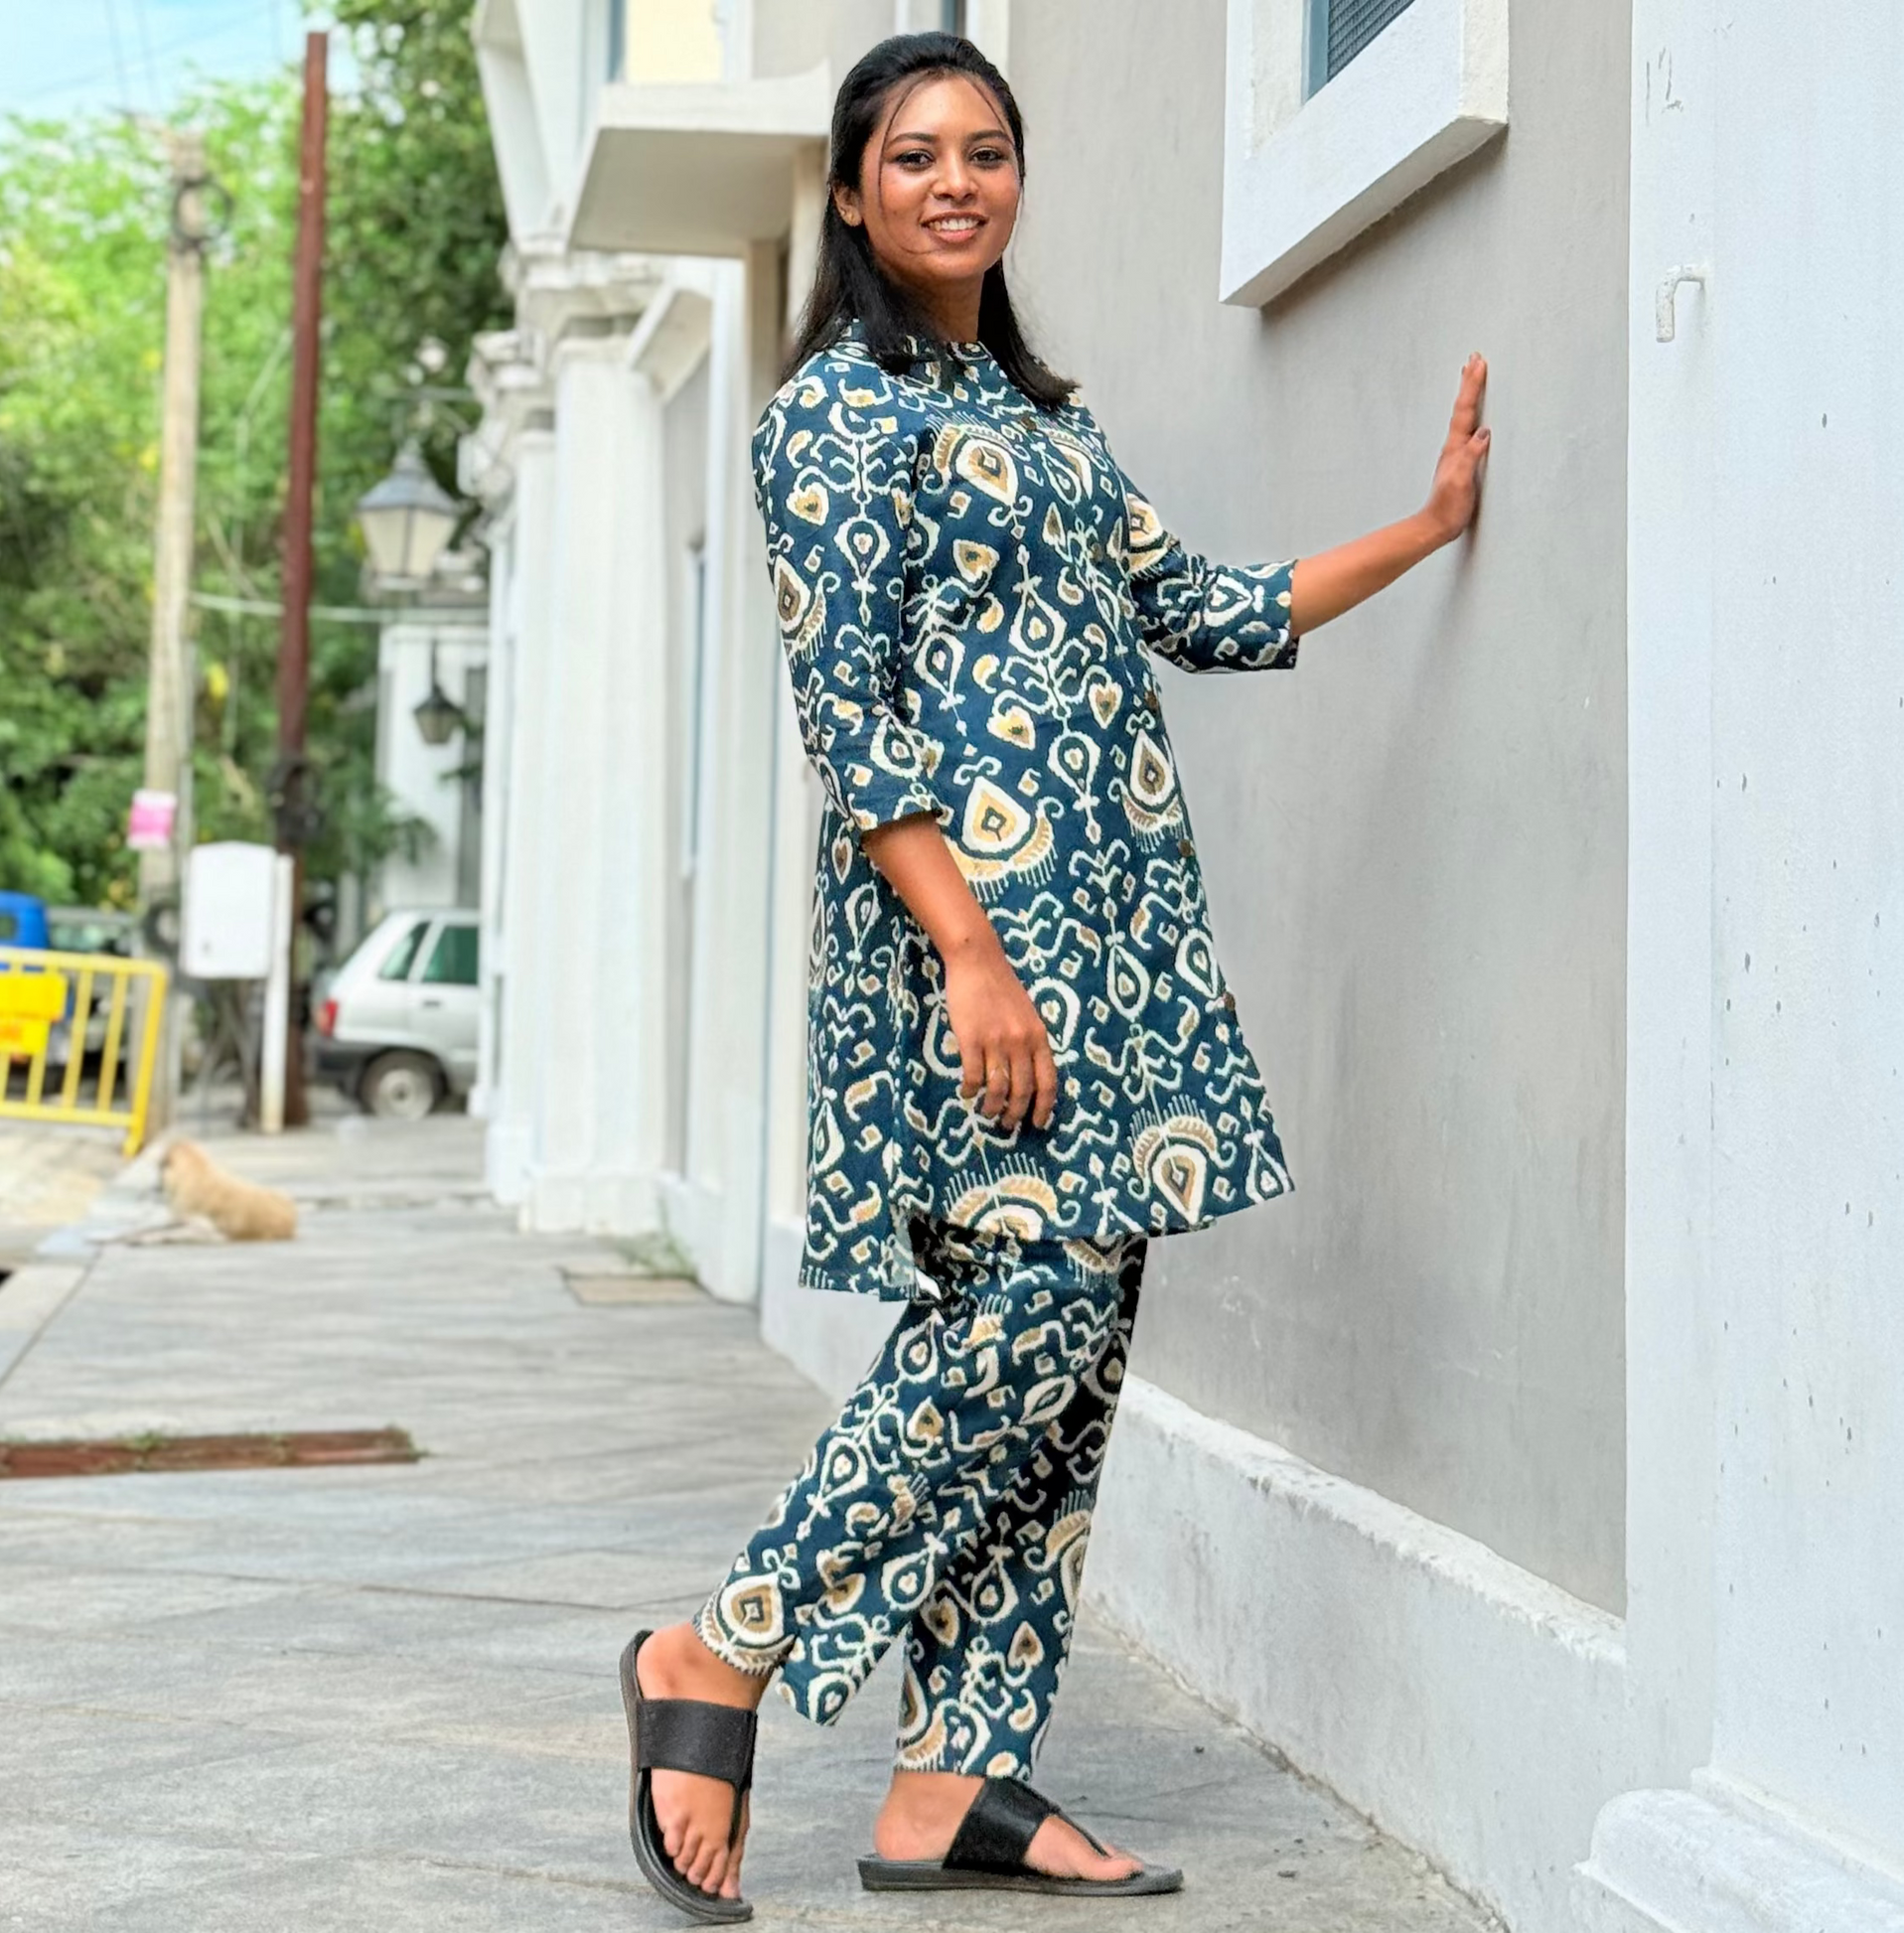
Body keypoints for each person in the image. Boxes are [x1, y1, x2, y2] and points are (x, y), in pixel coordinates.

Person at [621, 29, 1490, 1921]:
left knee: (1070, 1366)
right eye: (913, 152)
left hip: (1121, 959)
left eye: (986, 148)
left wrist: (1421, 532)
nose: (955, 178)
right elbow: (851, 727)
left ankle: (960, 1778)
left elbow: (1206, 607)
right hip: (971, 961)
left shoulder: (1045, 424)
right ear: (852, 192)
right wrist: (968, 958)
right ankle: (720, 1645)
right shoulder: (832, 419)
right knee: (1014, 1322)